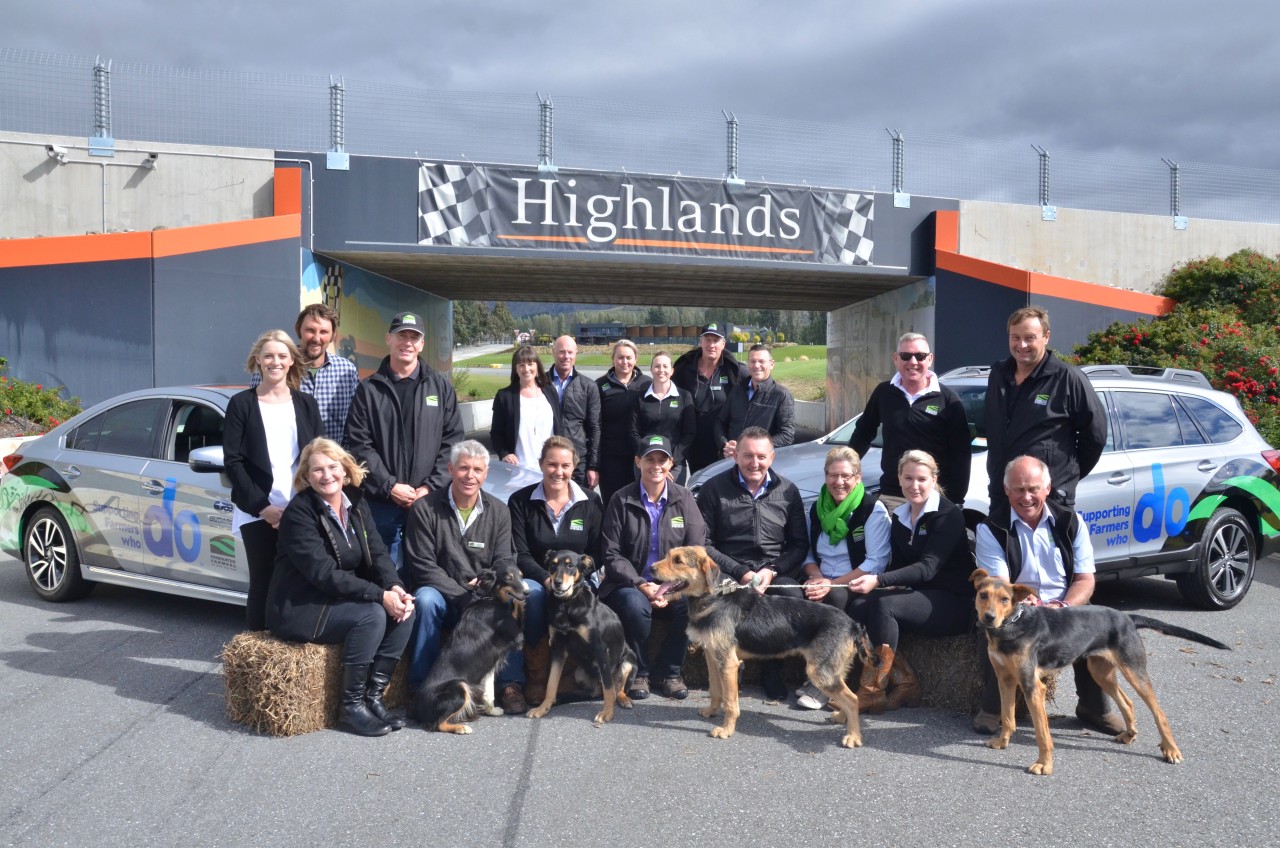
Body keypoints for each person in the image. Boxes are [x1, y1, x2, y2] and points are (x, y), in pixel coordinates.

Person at [267, 438, 416, 737]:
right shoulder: (299, 513)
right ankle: (350, 708)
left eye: (333, 467)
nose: (326, 475)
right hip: (302, 605)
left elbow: (379, 554)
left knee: (407, 608)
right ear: (306, 477)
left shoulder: (357, 504)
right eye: (317, 470)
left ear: (345, 470)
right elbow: (322, 574)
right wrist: (378, 594)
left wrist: (395, 587)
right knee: (372, 614)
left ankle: (373, 697)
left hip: (338, 599)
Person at [971, 455, 1123, 736]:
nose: (1026, 497)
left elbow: (1085, 579)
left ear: (1047, 488)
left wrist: (1063, 606)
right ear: (1006, 490)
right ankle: (992, 707)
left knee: (1089, 624)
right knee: (992, 626)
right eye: (1018, 489)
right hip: (1019, 604)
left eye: (1033, 489)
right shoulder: (991, 528)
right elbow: (1000, 586)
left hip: (1065, 601)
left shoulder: (1071, 522)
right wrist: (1021, 603)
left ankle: (1094, 707)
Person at [400, 440, 546, 714]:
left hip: (485, 595)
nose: (470, 476)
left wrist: (490, 587)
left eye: (477, 470)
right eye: (464, 468)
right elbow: (422, 565)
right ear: (450, 469)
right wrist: (461, 594)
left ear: (486, 474)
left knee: (514, 596)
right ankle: (421, 687)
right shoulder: (425, 509)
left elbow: (504, 559)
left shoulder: (499, 511)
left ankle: (509, 684)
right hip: (444, 594)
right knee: (425, 599)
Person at [845, 450, 975, 714]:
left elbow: (927, 568)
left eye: (921, 479)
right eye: (908, 478)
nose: (914, 485)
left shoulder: (948, 515)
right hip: (920, 596)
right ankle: (906, 683)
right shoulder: (901, 516)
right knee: (859, 606)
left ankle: (873, 690)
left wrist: (879, 580)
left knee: (885, 607)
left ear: (934, 479)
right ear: (899, 479)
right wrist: (888, 582)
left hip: (954, 601)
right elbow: (901, 565)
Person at [696, 426, 808, 701]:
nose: (754, 463)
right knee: (720, 596)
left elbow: (798, 545)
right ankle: (732, 667)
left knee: (791, 595)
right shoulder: (714, 489)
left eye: (760, 456)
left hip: (773, 570)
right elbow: (705, 544)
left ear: (772, 457)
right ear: (736, 456)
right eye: (747, 456)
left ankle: (772, 670)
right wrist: (741, 572)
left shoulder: (788, 491)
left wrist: (772, 570)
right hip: (729, 569)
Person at [344, 311, 464, 564]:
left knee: (427, 574)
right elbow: (358, 444)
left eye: (414, 337)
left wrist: (430, 487)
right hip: (381, 505)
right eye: (401, 335)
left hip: (429, 503)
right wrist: (389, 487)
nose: (407, 342)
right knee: (383, 576)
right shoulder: (369, 390)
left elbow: (453, 441)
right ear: (389, 339)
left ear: (421, 345)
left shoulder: (440, 387)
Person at [223, 329, 323, 630]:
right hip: (257, 510)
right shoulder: (241, 404)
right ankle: (257, 656)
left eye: (282, 355)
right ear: (258, 360)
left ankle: (291, 643)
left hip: (301, 508)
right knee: (263, 582)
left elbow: (318, 458)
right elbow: (234, 462)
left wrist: (304, 507)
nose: (275, 361)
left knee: (301, 580)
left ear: (292, 360)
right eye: (268, 355)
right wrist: (263, 508)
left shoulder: (306, 404)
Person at [599, 435, 707, 701]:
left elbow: (695, 548)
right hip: (631, 582)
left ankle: (671, 673)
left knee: (692, 605)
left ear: (671, 463)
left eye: (662, 459)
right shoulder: (620, 499)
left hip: (676, 583)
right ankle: (641, 672)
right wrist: (642, 584)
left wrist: (670, 588)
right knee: (635, 607)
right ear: (638, 462)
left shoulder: (684, 499)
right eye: (649, 459)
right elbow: (611, 554)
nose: (656, 465)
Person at [507, 435, 605, 702]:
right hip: (538, 577)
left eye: (565, 465)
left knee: (586, 599)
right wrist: (547, 579)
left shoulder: (591, 502)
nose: (558, 472)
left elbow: (598, 551)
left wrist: (575, 578)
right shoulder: (520, 500)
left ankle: (575, 673)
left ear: (574, 467)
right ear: (541, 464)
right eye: (552, 464)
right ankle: (535, 676)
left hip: (578, 577)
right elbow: (520, 552)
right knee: (534, 596)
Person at [796, 447, 893, 709]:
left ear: (858, 477)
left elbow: (876, 561)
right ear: (825, 476)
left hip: (857, 582)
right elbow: (806, 553)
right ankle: (807, 673)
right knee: (794, 597)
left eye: (846, 476)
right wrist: (815, 576)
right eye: (833, 475)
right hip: (823, 579)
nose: (839, 482)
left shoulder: (872, 509)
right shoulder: (817, 508)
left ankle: (824, 684)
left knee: (834, 597)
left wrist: (832, 583)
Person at [985, 306, 1106, 514]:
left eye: (1029, 337)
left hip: (1048, 498)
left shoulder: (1068, 379)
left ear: (1046, 336)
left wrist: (1063, 478)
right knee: (1003, 547)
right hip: (1003, 493)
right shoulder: (998, 375)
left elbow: (1095, 437)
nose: (1021, 345)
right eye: (1015, 337)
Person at [848, 332, 972, 511]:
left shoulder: (948, 399)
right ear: (896, 359)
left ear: (930, 359)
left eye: (920, 356)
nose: (913, 362)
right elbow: (863, 433)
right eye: (906, 356)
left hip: (933, 496)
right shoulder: (884, 393)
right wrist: (847, 470)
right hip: (892, 496)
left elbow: (960, 453)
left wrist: (955, 498)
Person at [250, 303, 359, 444]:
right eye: (310, 330)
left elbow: (353, 426)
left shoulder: (347, 372)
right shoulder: (274, 369)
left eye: (324, 332)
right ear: (298, 330)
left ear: (333, 336)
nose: (316, 338)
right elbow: (255, 421)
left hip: (331, 463)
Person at [673, 323, 748, 472]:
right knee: (698, 485)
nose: (711, 345)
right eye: (707, 339)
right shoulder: (684, 369)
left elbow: (759, 385)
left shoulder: (735, 370)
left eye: (716, 340)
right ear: (700, 342)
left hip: (722, 442)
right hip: (694, 442)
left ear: (723, 344)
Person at [596, 339, 651, 504]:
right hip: (611, 458)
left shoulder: (647, 384)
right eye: (620, 357)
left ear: (636, 359)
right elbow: (595, 424)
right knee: (614, 502)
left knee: (639, 502)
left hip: (640, 456)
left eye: (628, 357)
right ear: (612, 359)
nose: (624, 362)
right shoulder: (600, 385)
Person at [491, 345, 562, 471]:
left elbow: (559, 429)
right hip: (518, 469)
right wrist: (504, 454)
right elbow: (496, 433)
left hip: (549, 469)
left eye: (530, 364)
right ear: (516, 369)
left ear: (537, 366)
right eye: (521, 365)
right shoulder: (505, 396)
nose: (526, 369)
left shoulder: (550, 392)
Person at [717, 344, 795, 459]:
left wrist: (752, 448)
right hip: (732, 459)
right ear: (748, 364)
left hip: (758, 464)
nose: (756, 365)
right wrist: (725, 444)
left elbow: (787, 435)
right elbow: (720, 422)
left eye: (761, 361)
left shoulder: (781, 395)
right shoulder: (737, 390)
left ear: (771, 364)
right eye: (752, 361)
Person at [629, 350, 695, 483]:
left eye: (665, 366)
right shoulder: (640, 397)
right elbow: (633, 432)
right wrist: (646, 458)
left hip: (674, 465)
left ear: (672, 370)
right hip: (646, 463)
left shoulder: (684, 396)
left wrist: (671, 461)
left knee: (673, 502)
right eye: (657, 366)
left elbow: (689, 433)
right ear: (651, 369)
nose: (661, 370)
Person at [550, 335, 601, 488]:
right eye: (562, 352)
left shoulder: (589, 386)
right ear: (553, 352)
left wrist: (593, 466)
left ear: (576, 353)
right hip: (548, 458)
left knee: (579, 508)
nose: (566, 356)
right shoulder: (541, 383)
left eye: (570, 352)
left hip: (578, 460)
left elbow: (595, 427)